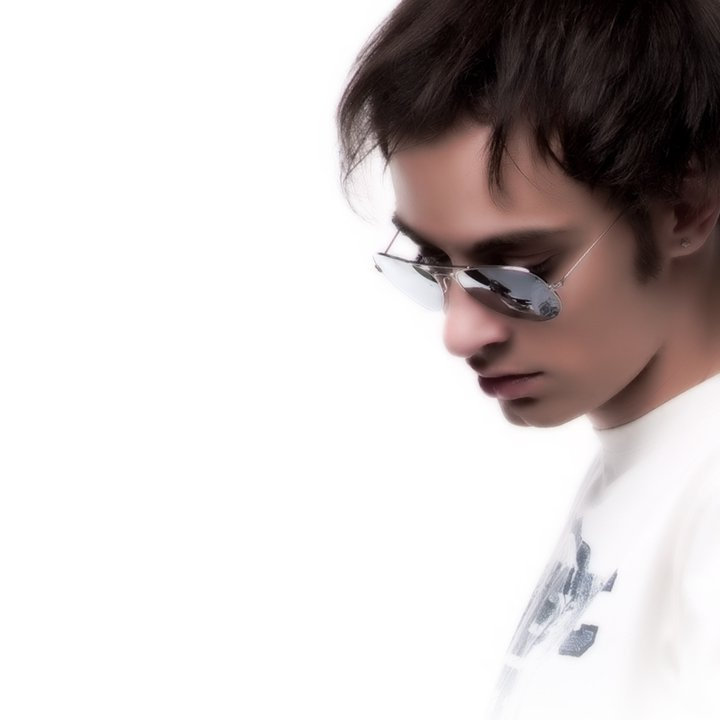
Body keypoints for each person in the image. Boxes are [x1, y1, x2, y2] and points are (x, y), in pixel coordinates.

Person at [335, 1, 720, 718]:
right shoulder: (651, 469)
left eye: (516, 273)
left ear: (685, 205)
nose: (459, 333)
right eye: (433, 263)